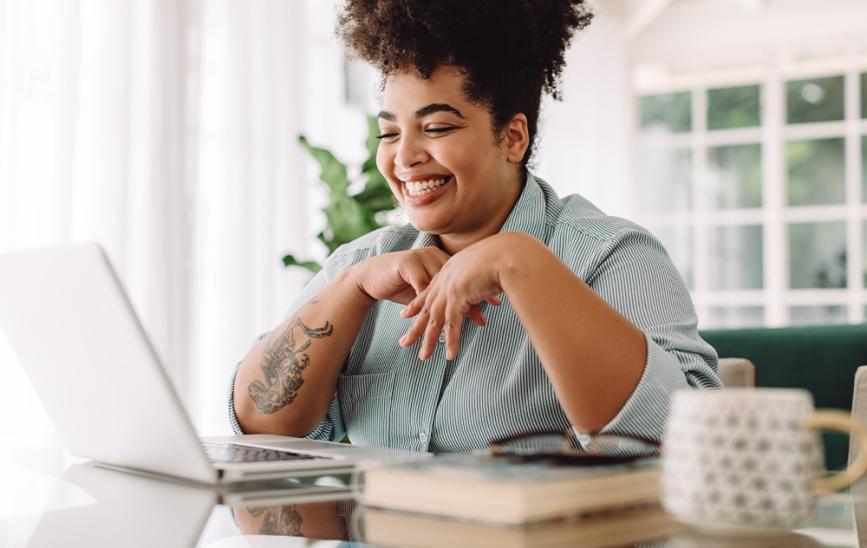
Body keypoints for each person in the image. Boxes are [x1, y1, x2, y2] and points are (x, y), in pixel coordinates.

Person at [228, 0, 721, 452]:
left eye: (437, 127)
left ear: (512, 137)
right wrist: (353, 290)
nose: (404, 157)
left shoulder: (612, 255)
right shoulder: (362, 265)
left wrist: (520, 262)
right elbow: (259, 426)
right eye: (389, 132)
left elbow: (689, 440)